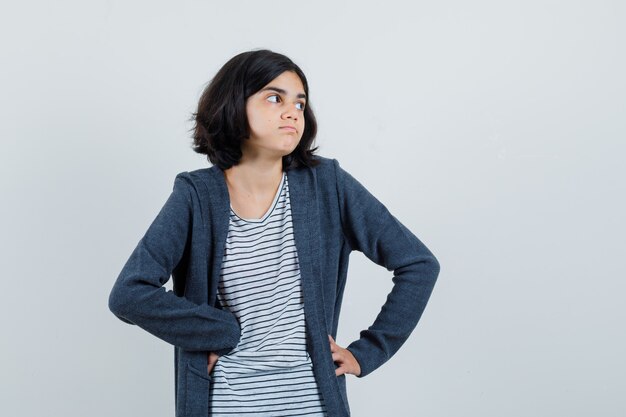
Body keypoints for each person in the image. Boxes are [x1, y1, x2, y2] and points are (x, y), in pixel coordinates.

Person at [108, 49, 440, 417]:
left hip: (313, 405)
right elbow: (129, 294)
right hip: (227, 405)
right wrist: (216, 331)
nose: (291, 113)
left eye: (299, 103)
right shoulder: (196, 197)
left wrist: (368, 352)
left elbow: (418, 264)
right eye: (273, 98)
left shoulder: (327, 186)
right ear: (234, 105)